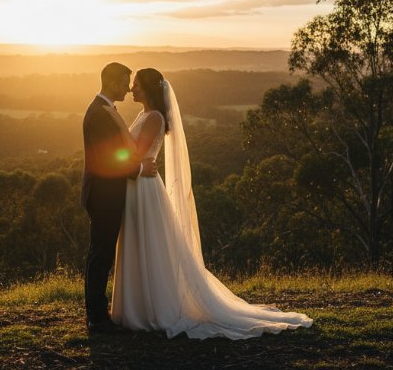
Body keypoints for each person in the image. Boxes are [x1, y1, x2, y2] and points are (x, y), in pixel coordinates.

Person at [103, 68, 313, 339]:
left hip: (144, 187)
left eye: (137, 85)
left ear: (148, 89)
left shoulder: (154, 117)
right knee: (138, 242)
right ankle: (137, 307)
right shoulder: (144, 114)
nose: (132, 89)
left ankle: (152, 309)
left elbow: (136, 153)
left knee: (148, 243)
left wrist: (117, 126)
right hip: (136, 184)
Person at [82, 62, 157, 333]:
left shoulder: (104, 110)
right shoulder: (100, 115)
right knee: (101, 253)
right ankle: (97, 317)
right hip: (103, 193)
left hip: (107, 192)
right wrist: (139, 169)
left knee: (101, 252)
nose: (127, 88)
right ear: (112, 83)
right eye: (125, 83)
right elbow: (108, 159)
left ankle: (97, 313)